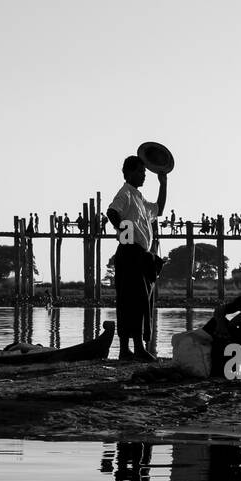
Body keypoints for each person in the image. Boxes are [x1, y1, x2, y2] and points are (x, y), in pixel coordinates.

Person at [107, 155, 166, 362]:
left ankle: (131, 348)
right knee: (132, 300)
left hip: (137, 255)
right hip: (130, 253)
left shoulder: (138, 198)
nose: (144, 176)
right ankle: (133, 348)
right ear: (129, 173)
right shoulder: (125, 194)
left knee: (135, 301)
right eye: (141, 172)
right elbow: (112, 212)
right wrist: (126, 234)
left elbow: (159, 209)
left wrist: (163, 183)